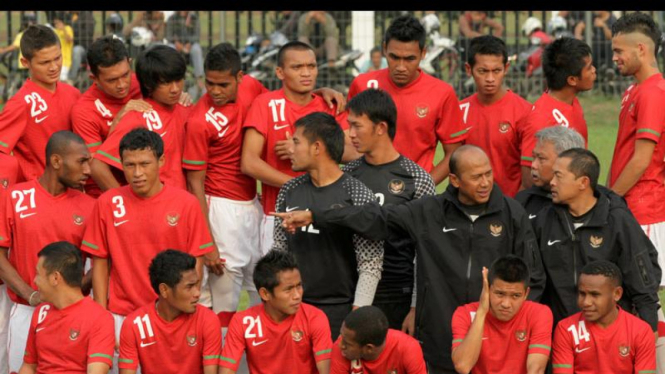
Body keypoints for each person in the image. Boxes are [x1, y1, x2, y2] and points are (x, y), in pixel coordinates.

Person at [275, 145, 546, 374]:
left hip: (494, 333)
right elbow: (376, 218)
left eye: (488, 174)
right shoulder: (429, 212)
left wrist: (514, 325)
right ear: (454, 180)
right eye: (476, 177)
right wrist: (316, 216)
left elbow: (531, 274)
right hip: (440, 330)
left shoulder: (512, 213)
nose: (486, 182)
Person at [80, 128, 215, 372]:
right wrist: (102, 318)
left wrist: (184, 301)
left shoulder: (186, 204)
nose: (137, 173)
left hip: (171, 315)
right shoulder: (108, 203)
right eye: (129, 165)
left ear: (161, 161)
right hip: (120, 314)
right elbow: (100, 261)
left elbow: (196, 259)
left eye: (145, 163)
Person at [271, 112, 383, 340]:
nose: (290, 149)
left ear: (317, 147)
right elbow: (279, 250)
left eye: (296, 141)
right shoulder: (289, 190)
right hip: (296, 307)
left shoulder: (357, 194)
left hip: (341, 310)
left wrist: (357, 314)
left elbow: (370, 262)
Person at [241, 40, 354, 256]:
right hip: (279, 214)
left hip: (327, 212)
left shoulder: (330, 105)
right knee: (281, 285)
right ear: (280, 72)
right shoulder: (265, 104)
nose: (306, 73)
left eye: (311, 66)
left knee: (326, 286)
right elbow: (249, 162)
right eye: (297, 67)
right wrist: (296, 185)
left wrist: (304, 151)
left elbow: (353, 152)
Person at [183, 42, 267, 326]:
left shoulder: (253, 88)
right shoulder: (198, 121)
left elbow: (278, 102)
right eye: (209, 83)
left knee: (263, 289)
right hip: (219, 209)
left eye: (223, 84)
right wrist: (207, 242)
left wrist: (320, 92)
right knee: (224, 299)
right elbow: (195, 184)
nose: (215, 91)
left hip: (252, 204)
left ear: (240, 77)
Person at [533, 148, 661, 330]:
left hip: (611, 336)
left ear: (583, 182)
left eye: (559, 176)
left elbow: (642, 281)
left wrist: (650, 328)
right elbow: (534, 281)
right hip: (561, 335)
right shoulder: (544, 220)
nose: (552, 182)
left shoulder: (617, 220)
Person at [0, 131, 94, 373]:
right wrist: (30, 294)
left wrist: (75, 290)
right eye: (81, 162)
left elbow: (102, 261)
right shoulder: (15, 197)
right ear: (56, 161)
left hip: (74, 314)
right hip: (26, 311)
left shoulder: (91, 206)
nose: (88, 170)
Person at [343, 88, 435, 333]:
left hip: (399, 294)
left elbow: (425, 251)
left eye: (357, 126)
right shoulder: (346, 175)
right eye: (349, 126)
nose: (350, 134)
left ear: (381, 128)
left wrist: (415, 307)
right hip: (350, 291)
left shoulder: (417, 178)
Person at [347, 15, 468, 186]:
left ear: (423, 53)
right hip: (367, 191)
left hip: (414, 198)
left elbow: (454, 152)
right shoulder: (362, 84)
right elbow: (345, 139)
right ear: (384, 49)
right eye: (394, 57)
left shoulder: (442, 93)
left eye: (410, 59)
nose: (401, 67)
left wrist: (423, 186)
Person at [608, 12, 665, 287]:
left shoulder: (654, 92)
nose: (614, 58)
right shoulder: (634, 90)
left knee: (641, 292)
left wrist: (610, 200)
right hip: (628, 205)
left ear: (640, 49)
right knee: (638, 295)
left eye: (619, 51)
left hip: (643, 209)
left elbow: (642, 160)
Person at [91, 45, 190, 191]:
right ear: (148, 85)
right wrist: (122, 201)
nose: (175, 89)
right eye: (166, 83)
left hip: (183, 205)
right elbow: (97, 166)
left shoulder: (187, 109)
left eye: (178, 80)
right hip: (153, 206)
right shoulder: (138, 116)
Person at [220, 250, 332, 374]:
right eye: (288, 289)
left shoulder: (315, 317)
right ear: (265, 294)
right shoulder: (243, 322)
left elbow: (326, 370)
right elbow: (226, 370)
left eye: (299, 286)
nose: (297, 295)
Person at [118, 250, 221, 374]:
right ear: (164, 290)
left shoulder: (208, 320)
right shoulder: (134, 325)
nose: (197, 293)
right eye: (189, 287)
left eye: (197, 285)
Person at [0, 24, 81, 182]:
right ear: (25, 62)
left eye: (57, 58)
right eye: (44, 63)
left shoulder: (74, 93)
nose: (54, 67)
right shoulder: (20, 104)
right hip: (38, 195)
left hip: (73, 193)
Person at [19, 241, 115, 374]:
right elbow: (29, 366)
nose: (35, 281)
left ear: (55, 278)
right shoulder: (41, 312)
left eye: (38, 274)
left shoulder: (100, 319)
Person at [451, 255, 552, 374]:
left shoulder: (539, 313)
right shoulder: (464, 314)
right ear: (487, 288)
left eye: (516, 296)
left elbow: (536, 370)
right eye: (500, 293)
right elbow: (463, 366)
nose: (506, 304)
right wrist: (482, 312)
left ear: (526, 293)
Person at [71, 36, 145, 198]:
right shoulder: (84, 110)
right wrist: (126, 203)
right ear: (94, 79)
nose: (122, 84)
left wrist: (182, 97)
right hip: (108, 193)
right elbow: (96, 167)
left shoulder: (143, 83)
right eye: (112, 80)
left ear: (130, 62)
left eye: (125, 75)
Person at [551, 261, 657, 374]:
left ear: (617, 294)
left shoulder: (641, 331)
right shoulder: (566, 329)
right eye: (582, 294)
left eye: (595, 294)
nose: (586, 302)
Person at [459, 35, 532, 197]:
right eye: (483, 71)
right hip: (469, 206)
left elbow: (529, 175)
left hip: (511, 206)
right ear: (468, 69)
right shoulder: (460, 111)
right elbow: (456, 166)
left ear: (506, 68)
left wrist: (513, 209)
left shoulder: (525, 112)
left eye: (496, 71)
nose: (490, 79)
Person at [519, 37, 595, 190]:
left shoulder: (572, 102)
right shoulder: (541, 119)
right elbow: (529, 178)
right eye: (589, 67)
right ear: (572, 80)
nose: (594, 70)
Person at [330, 306, 426, 374]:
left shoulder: (408, 348)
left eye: (347, 343)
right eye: (342, 337)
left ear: (369, 348)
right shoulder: (341, 350)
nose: (340, 345)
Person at [516, 126, 586, 218]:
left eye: (541, 159)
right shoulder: (522, 202)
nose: (533, 165)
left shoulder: (598, 205)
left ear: (566, 161)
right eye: (534, 157)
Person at [166, 11, 204, 97]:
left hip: (190, 46)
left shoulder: (194, 18)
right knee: (170, 47)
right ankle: (173, 77)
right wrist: (176, 42)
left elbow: (196, 35)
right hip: (176, 45)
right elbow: (169, 35)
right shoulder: (172, 18)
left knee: (197, 49)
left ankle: (199, 79)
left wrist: (189, 43)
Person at [67, 11, 96, 82]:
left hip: (83, 47)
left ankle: (71, 79)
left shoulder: (87, 15)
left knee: (76, 51)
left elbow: (87, 34)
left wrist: (73, 37)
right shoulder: (70, 16)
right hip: (68, 46)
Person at [51, 12, 74, 82]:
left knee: (63, 79)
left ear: (62, 22)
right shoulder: (55, 31)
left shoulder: (68, 29)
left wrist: (63, 29)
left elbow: (69, 40)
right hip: (56, 60)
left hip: (65, 60)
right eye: (55, 24)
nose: (56, 25)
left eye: (57, 23)